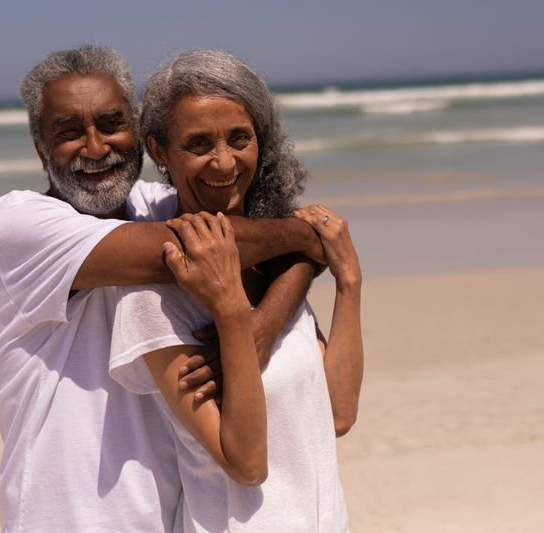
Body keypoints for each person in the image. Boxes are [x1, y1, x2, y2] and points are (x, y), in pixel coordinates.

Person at [0, 45, 327, 532]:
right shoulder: (18, 224)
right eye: (69, 132)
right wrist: (308, 236)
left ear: (143, 136)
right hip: (64, 515)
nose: (96, 147)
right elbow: (208, 247)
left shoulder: (159, 204)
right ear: (40, 147)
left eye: (111, 123)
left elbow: (280, 248)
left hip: (177, 514)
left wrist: (262, 327)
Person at [109, 50, 364, 532]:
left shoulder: (278, 269)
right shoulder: (149, 302)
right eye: (198, 143)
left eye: (239, 138)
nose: (223, 161)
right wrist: (230, 314)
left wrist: (348, 283)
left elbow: (337, 415)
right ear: (160, 151)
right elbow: (246, 464)